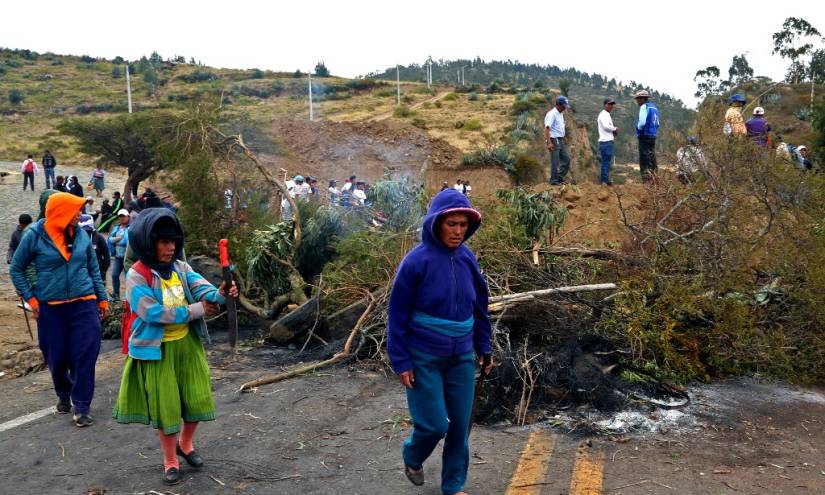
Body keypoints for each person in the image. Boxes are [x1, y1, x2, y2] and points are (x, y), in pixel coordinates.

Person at [112, 208, 237, 486]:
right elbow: (152, 313)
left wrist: (221, 292)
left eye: (173, 242)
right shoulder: (136, 276)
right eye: (163, 242)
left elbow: (203, 289)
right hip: (156, 352)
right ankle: (170, 459)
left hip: (187, 346)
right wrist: (197, 310)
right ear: (149, 242)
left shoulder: (181, 268)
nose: (170, 248)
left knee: (197, 397)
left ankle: (186, 444)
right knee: (166, 407)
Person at [388, 188, 493, 495]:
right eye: (452, 224)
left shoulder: (467, 258)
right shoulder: (416, 262)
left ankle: (453, 486)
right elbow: (397, 314)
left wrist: (484, 347)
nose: (458, 231)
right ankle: (413, 455)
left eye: (463, 225)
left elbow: (479, 305)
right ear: (436, 224)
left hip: (460, 355)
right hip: (424, 356)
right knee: (435, 425)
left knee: (460, 426)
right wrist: (401, 360)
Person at [9, 192, 109, 427]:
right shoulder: (34, 235)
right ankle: (64, 393)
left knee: (85, 354)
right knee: (57, 356)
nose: (80, 215)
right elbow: (17, 269)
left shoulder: (83, 235)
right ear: (61, 213)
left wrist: (102, 299)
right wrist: (32, 300)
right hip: (51, 308)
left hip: (84, 303)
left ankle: (82, 405)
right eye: (75, 211)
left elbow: (93, 269)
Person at [543, 95, 571, 185]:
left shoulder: (560, 113)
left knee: (566, 159)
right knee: (555, 161)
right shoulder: (552, 114)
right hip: (554, 139)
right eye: (564, 106)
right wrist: (549, 142)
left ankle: (559, 177)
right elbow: (547, 129)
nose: (565, 108)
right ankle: (554, 181)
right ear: (558, 105)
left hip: (560, 139)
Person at [633, 90, 660, 182]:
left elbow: (642, 122)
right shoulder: (654, 108)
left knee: (644, 159)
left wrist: (638, 129)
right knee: (652, 158)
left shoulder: (644, 107)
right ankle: (655, 179)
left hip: (644, 135)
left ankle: (647, 181)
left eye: (638, 99)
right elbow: (657, 123)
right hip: (653, 135)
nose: (637, 101)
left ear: (643, 99)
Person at [79, 214, 110, 286]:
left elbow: (106, 254)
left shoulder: (99, 237)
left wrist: (103, 270)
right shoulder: (77, 238)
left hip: (97, 273)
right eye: (83, 230)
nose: (85, 232)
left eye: (87, 230)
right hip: (82, 273)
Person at [109, 209, 131, 298]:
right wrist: (118, 239)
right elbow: (109, 240)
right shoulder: (116, 228)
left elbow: (125, 241)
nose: (122, 218)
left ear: (128, 217)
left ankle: (129, 296)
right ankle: (116, 294)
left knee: (129, 277)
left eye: (124, 216)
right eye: (120, 216)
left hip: (127, 257)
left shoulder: (131, 228)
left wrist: (115, 240)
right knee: (114, 275)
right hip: (118, 256)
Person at [597, 97, 619, 186]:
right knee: (605, 162)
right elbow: (606, 126)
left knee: (607, 161)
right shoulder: (603, 115)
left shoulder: (606, 115)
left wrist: (613, 131)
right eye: (609, 104)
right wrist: (615, 128)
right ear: (605, 105)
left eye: (612, 104)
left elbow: (607, 127)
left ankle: (605, 180)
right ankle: (604, 181)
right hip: (605, 142)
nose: (611, 106)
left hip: (608, 141)